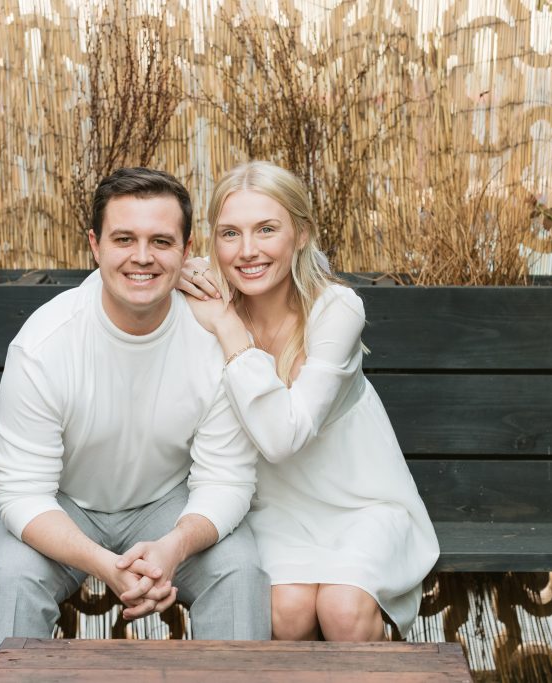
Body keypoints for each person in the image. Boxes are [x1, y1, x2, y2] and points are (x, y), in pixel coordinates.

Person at [0, 167, 270, 680]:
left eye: (161, 241)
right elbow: (22, 493)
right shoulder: (45, 344)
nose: (142, 257)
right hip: (61, 503)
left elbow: (226, 479)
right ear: (94, 244)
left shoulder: (214, 342)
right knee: (13, 579)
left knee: (239, 570)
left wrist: (174, 546)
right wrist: (105, 565)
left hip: (167, 504)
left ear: (186, 248)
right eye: (124, 239)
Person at [178, 160, 440, 641]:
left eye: (267, 229)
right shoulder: (205, 300)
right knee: (287, 611)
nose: (248, 250)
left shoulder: (335, 310)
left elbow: (283, 437)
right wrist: (181, 272)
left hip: (362, 504)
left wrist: (229, 328)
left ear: (301, 234)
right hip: (273, 508)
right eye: (229, 234)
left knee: (343, 608)